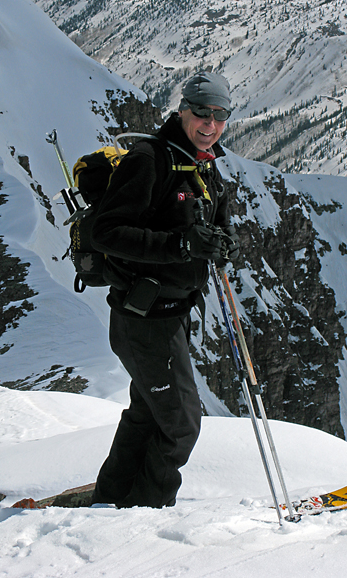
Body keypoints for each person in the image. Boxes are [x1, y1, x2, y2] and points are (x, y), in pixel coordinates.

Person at [89, 71, 239, 509]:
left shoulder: (204, 164)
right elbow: (107, 232)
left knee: (147, 415)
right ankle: (146, 515)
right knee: (180, 425)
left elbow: (212, 226)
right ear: (182, 110)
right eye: (201, 112)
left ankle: (111, 503)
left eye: (220, 115)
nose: (210, 123)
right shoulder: (151, 159)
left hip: (171, 315)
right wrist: (180, 245)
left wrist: (220, 241)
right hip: (144, 320)